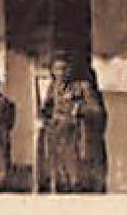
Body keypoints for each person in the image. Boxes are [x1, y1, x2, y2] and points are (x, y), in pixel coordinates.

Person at [40, 54, 107, 193]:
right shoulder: (53, 87)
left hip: (75, 137)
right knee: (59, 175)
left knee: (76, 176)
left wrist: (80, 110)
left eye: (64, 69)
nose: (60, 73)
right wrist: (45, 115)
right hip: (57, 136)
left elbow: (97, 110)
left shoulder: (83, 87)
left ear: (70, 70)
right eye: (57, 69)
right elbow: (48, 108)